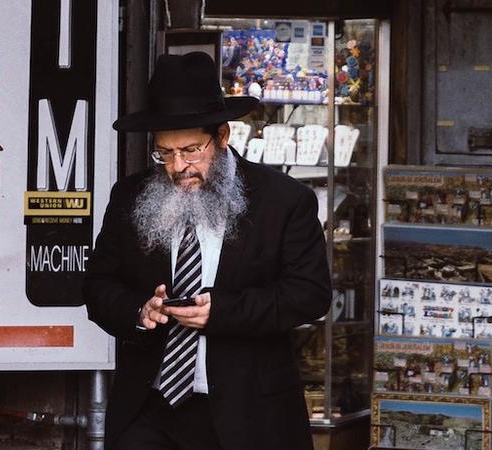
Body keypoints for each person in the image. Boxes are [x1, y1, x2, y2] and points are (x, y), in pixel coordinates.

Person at [83, 52, 330, 450]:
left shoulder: (284, 200)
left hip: (249, 414)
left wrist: (222, 312)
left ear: (223, 136)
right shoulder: (130, 195)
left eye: (192, 150)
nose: (178, 166)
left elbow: (310, 294)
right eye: (165, 153)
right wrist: (139, 312)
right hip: (149, 408)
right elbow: (98, 284)